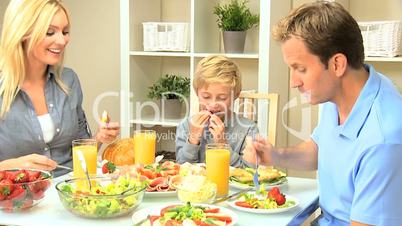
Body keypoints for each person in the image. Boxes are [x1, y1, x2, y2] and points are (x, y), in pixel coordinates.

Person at [243, 2, 402, 226]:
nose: (293, 82)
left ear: (337, 64)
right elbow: (320, 149)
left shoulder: (384, 140)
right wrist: (275, 156)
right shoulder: (343, 92)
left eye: (301, 69)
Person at [0, 0, 120, 176]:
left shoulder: (69, 80)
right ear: (23, 33)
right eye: (50, 32)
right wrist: (11, 165)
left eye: (65, 32)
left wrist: (99, 138)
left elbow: (81, 149)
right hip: (18, 200)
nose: (62, 40)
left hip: (68, 191)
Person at [176, 55, 258, 167]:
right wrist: (193, 140)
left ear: (236, 95)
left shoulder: (248, 129)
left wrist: (222, 145)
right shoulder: (186, 126)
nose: (213, 104)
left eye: (222, 98)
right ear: (197, 92)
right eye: (206, 96)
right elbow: (182, 170)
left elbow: (249, 175)